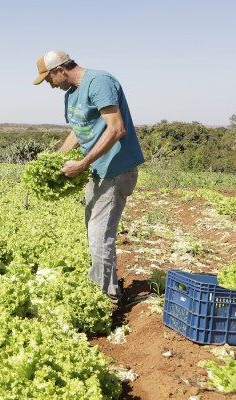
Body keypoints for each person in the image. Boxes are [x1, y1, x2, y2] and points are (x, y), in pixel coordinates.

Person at [33, 50, 145, 308]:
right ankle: (102, 286)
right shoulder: (72, 94)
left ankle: (106, 299)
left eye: (48, 79)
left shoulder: (99, 83)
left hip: (115, 170)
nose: (49, 85)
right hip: (98, 171)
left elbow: (117, 128)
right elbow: (78, 130)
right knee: (94, 231)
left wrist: (83, 162)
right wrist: (57, 158)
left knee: (99, 234)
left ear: (60, 70)